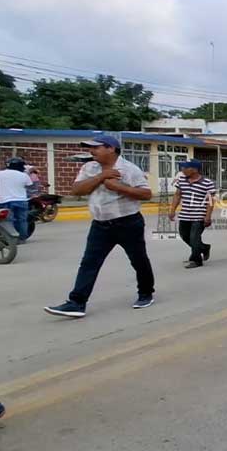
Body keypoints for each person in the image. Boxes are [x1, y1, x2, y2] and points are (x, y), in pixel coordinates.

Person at [45, 135, 154, 318]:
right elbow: (77, 190)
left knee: (138, 260)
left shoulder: (129, 169)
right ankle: (77, 303)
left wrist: (119, 187)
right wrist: (101, 176)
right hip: (100, 225)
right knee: (89, 263)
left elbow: (146, 194)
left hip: (128, 223)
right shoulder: (90, 167)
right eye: (91, 148)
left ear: (111, 148)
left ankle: (145, 293)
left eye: (96, 148)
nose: (92, 151)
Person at [168, 160, 215, 268]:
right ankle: (203, 248)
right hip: (185, 215)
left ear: (194, 169)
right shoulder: (181, 180)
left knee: (194, 238)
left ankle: (196, 260)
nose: (182, 170)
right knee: (185, 236)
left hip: (199, 216)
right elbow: (177, 195)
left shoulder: (207, 183)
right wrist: (172, 210)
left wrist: (208, 216)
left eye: (185, 168)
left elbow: (210, 201)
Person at [0, 157, 32, 242]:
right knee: (22, 220)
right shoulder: (24, 175)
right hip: (21, 200)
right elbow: (29, 185)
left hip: (4, 201)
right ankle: (22, 238)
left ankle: (10, 239)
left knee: (7, 221)